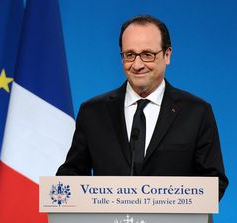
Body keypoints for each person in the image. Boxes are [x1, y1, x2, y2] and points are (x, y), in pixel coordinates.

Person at [56, 15, 228, 199]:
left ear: (167, 55)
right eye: (129, 55)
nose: (137, 65)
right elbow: (71, 174)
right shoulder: (93, 112)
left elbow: (214, 182)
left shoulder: (196, 112)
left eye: (147, 54)